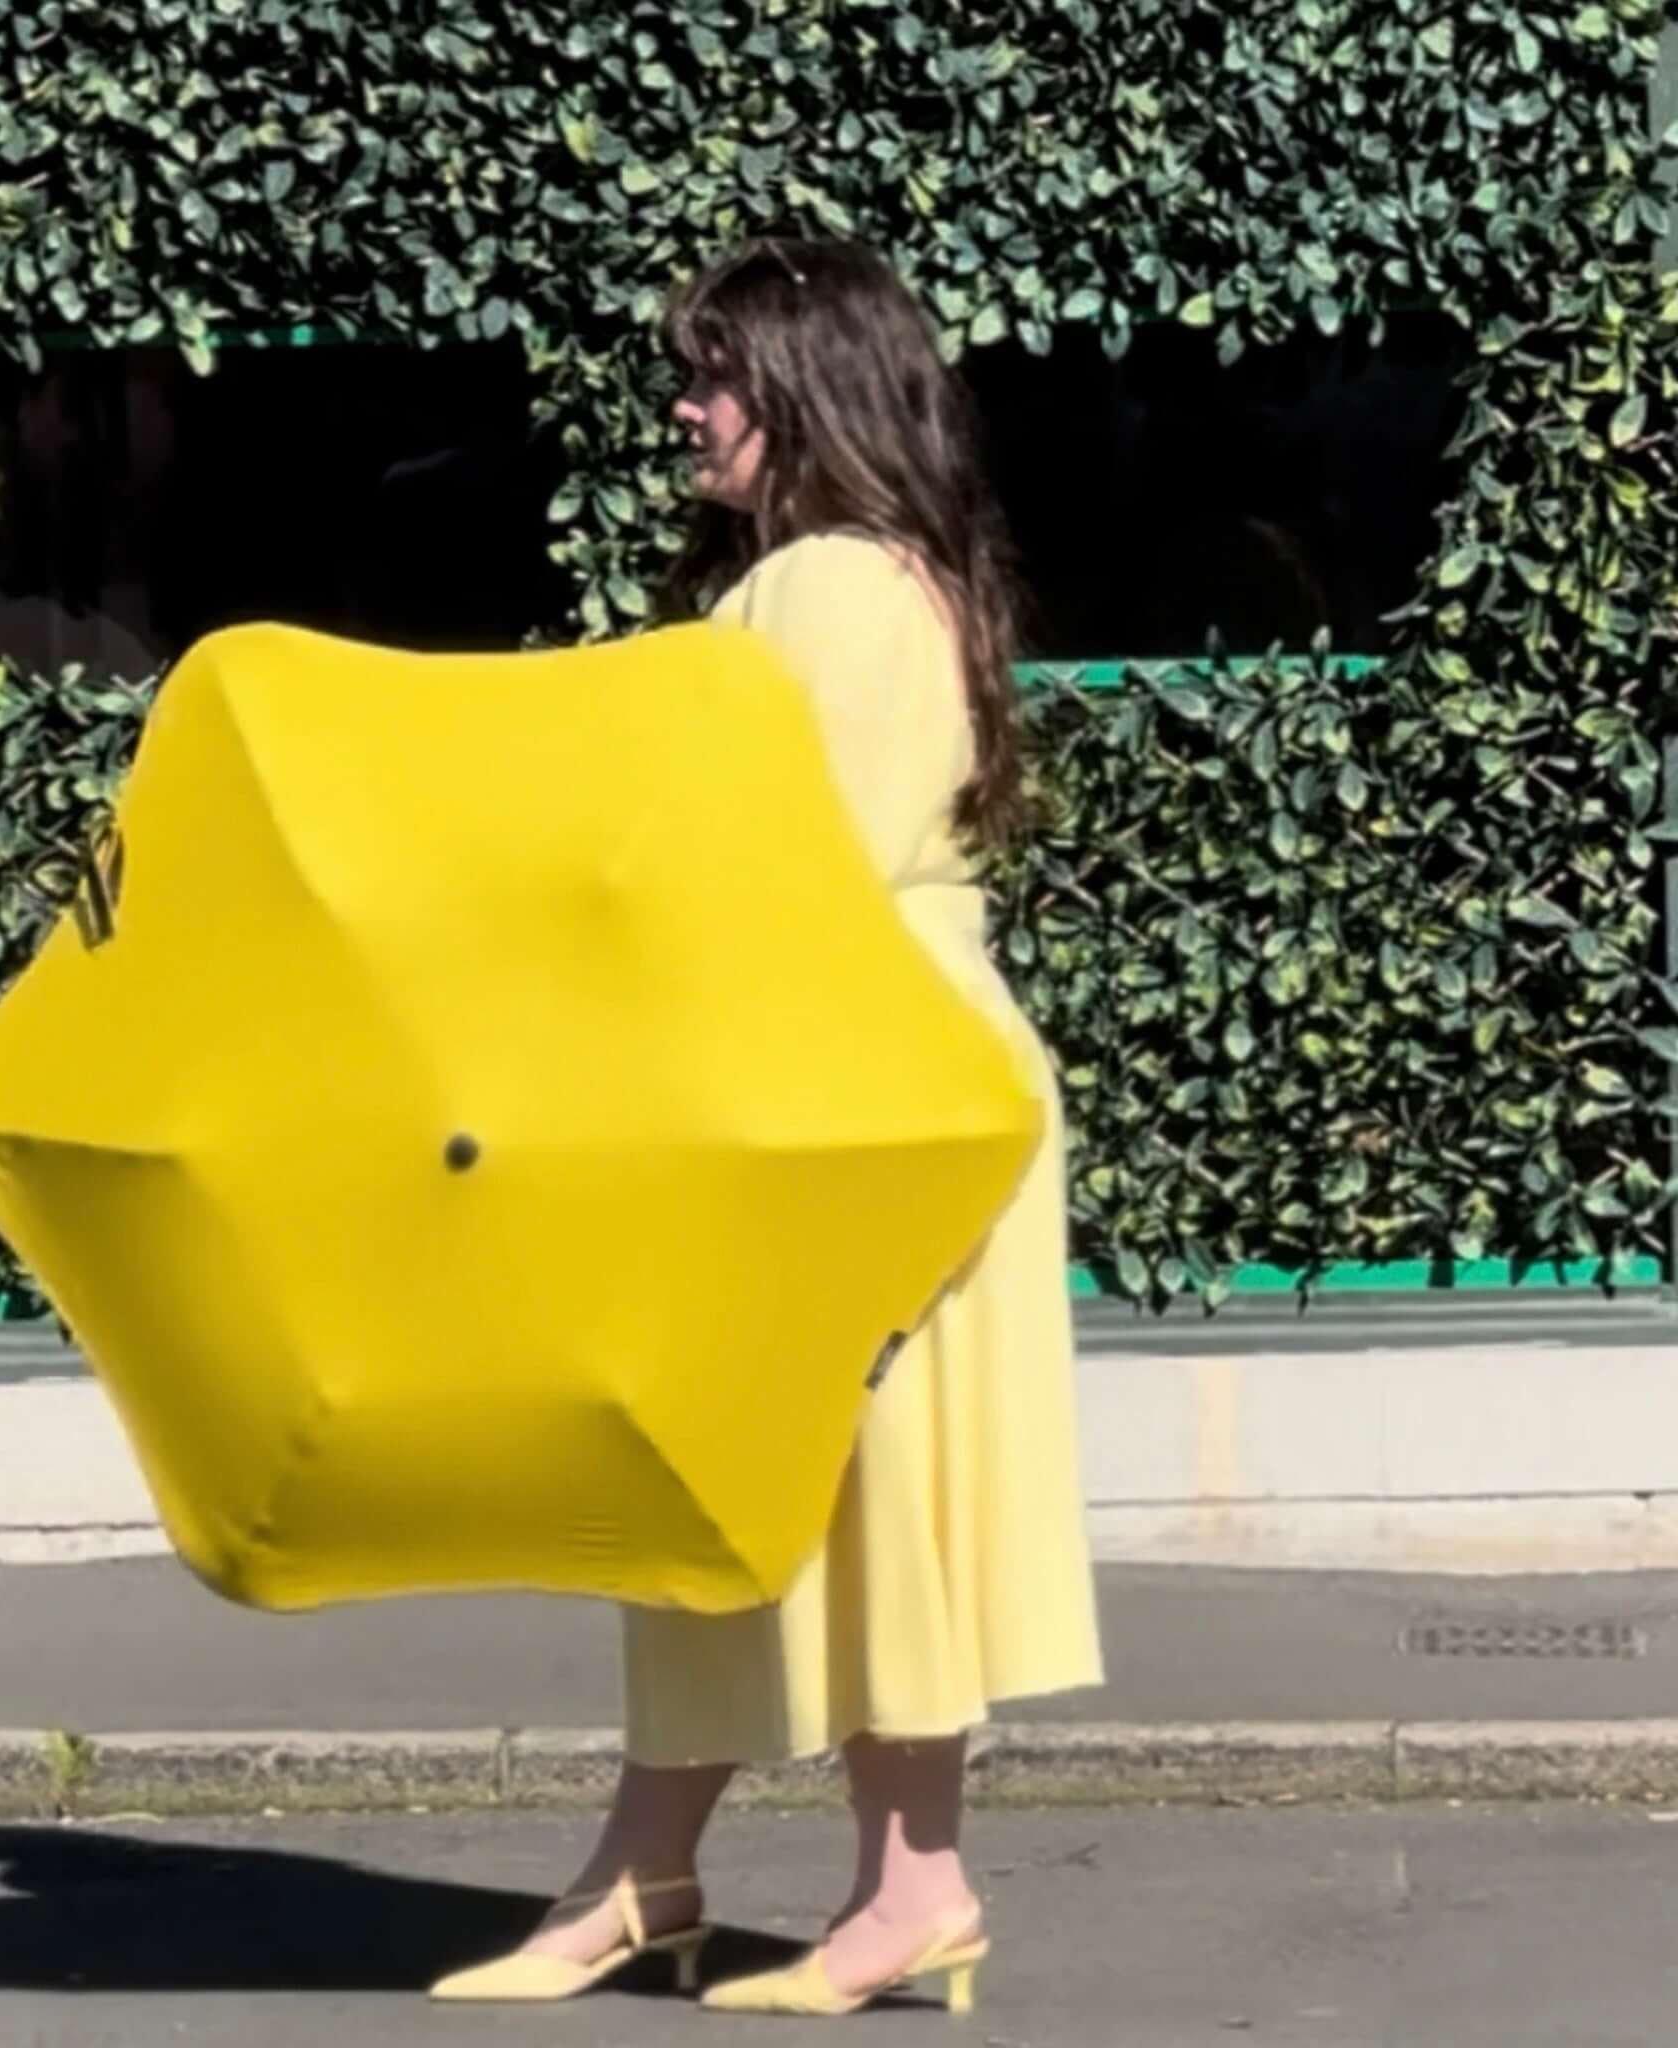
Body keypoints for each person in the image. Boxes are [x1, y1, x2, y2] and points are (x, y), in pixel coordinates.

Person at [431, 238, 1102, 2019]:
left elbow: (769, 871)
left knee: (794, 1493)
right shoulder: (893, 576)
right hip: (889, 1077)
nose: (687, 403)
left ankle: (875, 1888)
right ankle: (705, 1875)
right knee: (793, 1495)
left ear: (806, 390)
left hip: (843, 1094)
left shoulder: (823, 587)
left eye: (717, 373)